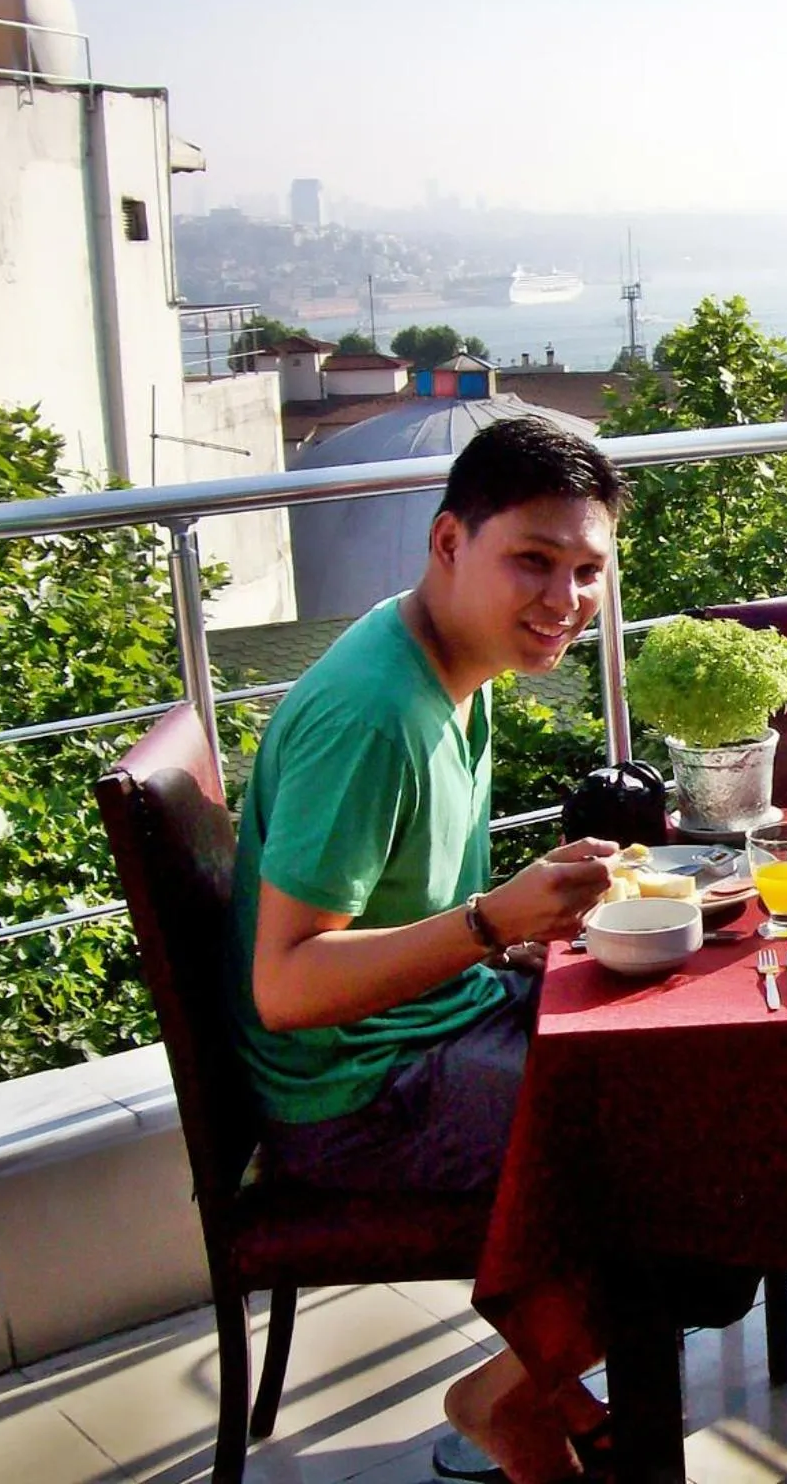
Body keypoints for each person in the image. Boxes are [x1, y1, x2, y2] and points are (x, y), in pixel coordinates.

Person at [230, 416, 625, 1482]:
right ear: (448, 543)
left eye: (586, 571)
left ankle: (548, 1384)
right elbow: (285, 985)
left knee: (666, 1053)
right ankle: (506, 1397)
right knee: (683, 1146)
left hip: (431, 1026)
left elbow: (414, 910)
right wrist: (494, 922)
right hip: (357, 1099)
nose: (564, 603)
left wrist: (512, 940)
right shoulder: (376, 716)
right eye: (531, 564)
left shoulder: (451, 656)